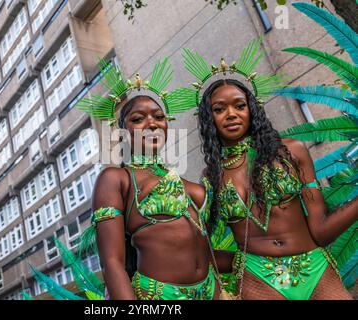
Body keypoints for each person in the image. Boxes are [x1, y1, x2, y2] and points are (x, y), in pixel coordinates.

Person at [198, 78, 358, 300]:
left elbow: (321, 231)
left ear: (252, 110)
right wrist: (239, 263)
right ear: (209, 119)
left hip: (315, 270)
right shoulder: (211, 178)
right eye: (219, 109)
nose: (231, 114)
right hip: (258, 280)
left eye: (240, 105)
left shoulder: (291, 151)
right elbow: (197, 248)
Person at [77, 58, 223, 300]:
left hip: (212, 293)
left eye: (158, 116)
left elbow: (204, 247)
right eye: (138, 119)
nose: (151, 123)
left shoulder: (186, 182)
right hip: (159, 297)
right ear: (123, 131)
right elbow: (112, 262)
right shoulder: (116, 179)